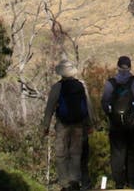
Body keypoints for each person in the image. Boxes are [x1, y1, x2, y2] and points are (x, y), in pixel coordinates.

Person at [43, 58, 93, 191]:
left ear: (61, 73)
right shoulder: (81, 85)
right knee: (76, 153)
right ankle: (75, 181)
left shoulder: (57, 87)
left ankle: (64, 182)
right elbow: (88, 106)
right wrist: (90, 123)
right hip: (79, 124)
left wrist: (45, 126)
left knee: (61, 154)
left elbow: (50, 108)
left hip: (62, 124)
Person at [101, 55, 134, 188]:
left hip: (115, 125)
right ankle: (131, 182)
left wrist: (111, 115)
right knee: (132, 153)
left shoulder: (110, 83)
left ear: (117, 67)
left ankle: (118, 183)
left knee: (117, 154)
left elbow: (104, 102)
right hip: (133, 125)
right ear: (130, 67)